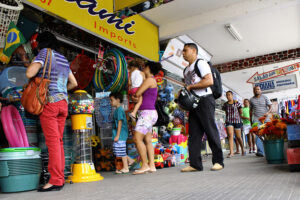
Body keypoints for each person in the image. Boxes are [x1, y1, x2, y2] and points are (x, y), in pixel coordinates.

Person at [25, 31, 78, 192]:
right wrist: (61, 91)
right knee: (59, 141)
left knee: (53, 143)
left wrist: (32, 62)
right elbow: (74, 83)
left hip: (50, 103)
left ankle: (55, 180)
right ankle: (59, 178)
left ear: (40, 43)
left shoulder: (44, 53)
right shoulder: (63, 58)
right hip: (63, 103)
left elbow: (29, 73)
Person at [181, 43, 224, 172]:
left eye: (185, 50)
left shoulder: (201, 63)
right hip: (194, 103)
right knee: (194, 134)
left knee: (210, 130)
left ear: (194, 51)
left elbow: (209, 81)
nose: (183, 53)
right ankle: (195, 164)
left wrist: (190, 87)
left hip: (205, 100)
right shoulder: (186, 70)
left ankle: (218, 161)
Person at [131, 61, 160, 175]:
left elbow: (137, 94)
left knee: (137, 139)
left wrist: (134, 96)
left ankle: (145, 165)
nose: (143, 68)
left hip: (146, 114)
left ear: (149, 68)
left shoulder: (149, 80)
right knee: (147, 140)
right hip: (150, 113)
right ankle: (152, 165)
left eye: (145, 67)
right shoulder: (151, 80)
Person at [109, 92, 135, 174]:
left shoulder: (119, 110)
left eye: (111, 100)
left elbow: (120, 122)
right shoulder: (118, 110)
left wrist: (117, 135)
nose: (110, 102)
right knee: (119, 150)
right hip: (119, 134)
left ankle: (126, 167)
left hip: (120, 134)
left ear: (118, 100)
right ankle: (130, 160)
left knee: (121, 150)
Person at [250, 86, 272, 157]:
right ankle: (260, 152)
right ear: (253, 91)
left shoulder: (265, 97)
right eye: (255, 90)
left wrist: (268, 112)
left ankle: (269, 150)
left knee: (268, 134)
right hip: (256, 120)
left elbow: (270, 107)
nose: (257, 91)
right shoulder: (251, 100)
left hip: (266, 119)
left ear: (260, 90)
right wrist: (251, 120)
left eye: (258, 89)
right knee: (258, 135)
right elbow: (251, 110)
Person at [223, 91, 245, 158]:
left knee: (238, 137)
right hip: (229, 121)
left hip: (237, 121)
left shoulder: (236, 103)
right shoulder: (225, 104)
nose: (228, 96)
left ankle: (243, 149)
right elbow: (226, 112)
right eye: (227, 95)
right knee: (230, 135)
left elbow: (240, 112)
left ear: (232, 95)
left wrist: (240, 118)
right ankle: (231, 152)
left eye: (229, 95)